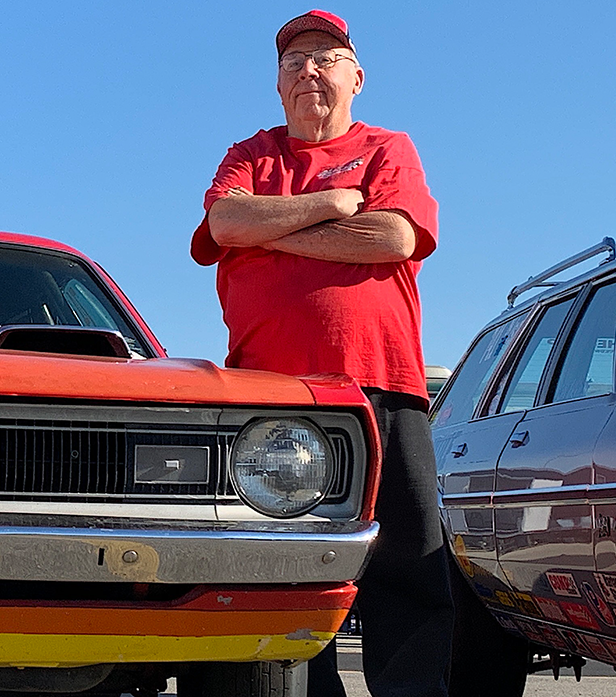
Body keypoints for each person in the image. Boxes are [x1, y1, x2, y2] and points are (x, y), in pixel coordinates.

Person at [189, 10, 451, 697]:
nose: (309, 70)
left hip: (382, 385)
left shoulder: (389, 147)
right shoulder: (252, 154)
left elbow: (393, 237)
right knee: (287, 566)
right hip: (272, 396)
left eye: (326, 58)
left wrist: (266, 233)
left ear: (357, 78)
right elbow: (224, 221)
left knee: (408, 563)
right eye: (294, 61)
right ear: (277, 85)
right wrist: (333, 201)